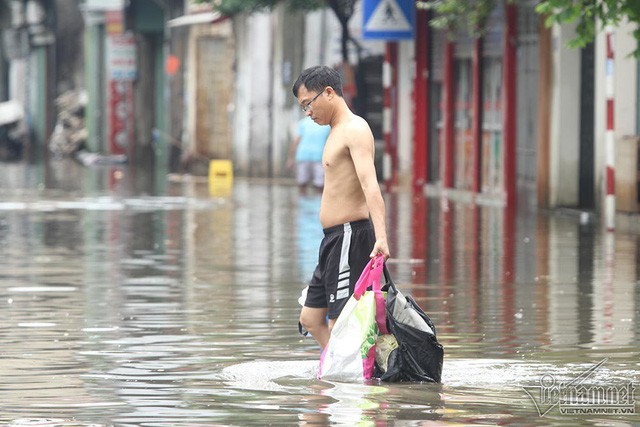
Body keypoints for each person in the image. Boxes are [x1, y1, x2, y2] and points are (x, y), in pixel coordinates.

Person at [292, 65, 390, 349]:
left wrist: (381, 236)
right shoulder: (334, 131)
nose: (308, 113)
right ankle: (339, 370)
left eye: (308, 104)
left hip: (350, 235)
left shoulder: (354, 129)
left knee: (341, 322)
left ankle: (356, 380)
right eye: (303, 108)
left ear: (329, 93)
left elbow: (370, 184)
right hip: (333, 241)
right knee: (311, 319)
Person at [287, 116, 330, 192]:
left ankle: (303, 201)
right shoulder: (326, 124)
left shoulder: (304, 122)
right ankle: (317, 202)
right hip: (314, 156)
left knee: (303, 184)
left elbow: (296, 141)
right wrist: (290, 158)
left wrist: (290, 159)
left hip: (311, 156)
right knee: (319, 184)